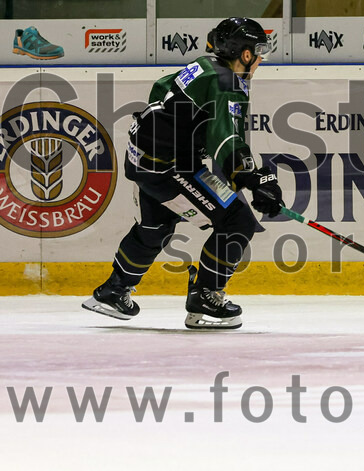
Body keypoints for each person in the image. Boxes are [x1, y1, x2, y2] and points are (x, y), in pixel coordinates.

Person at [82, 17, 284, 330]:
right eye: (257, 53)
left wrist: (174, 137)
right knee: (237, 220)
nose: (259, 61)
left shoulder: (202, 65)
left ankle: (112, 292)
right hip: (169, 166)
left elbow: (160, 88)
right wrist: (252, 178)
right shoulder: (229, 82)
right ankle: (205, 296)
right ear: (245, 54)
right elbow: (227, 137)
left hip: (142, 159)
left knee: (157, 225)